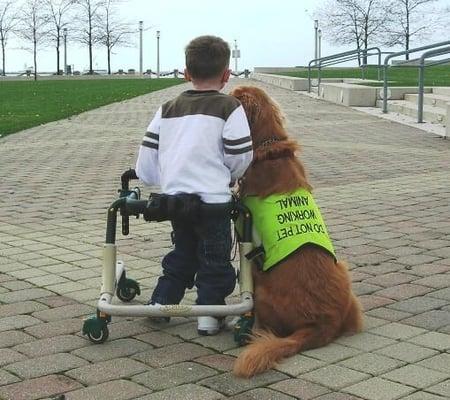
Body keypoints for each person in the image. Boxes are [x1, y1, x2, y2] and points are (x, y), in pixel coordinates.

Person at [135, 35, 253, 335]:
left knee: (182, 252)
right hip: (213, 201)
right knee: (215, 258)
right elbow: (240, 155)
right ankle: (209, 313)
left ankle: (162, 303)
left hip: (177, 201)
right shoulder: (230, 107)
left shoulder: (167, 108)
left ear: (186, 73)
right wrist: (231, 176)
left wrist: (156, 178)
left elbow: (147, 160)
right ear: (226, 75)